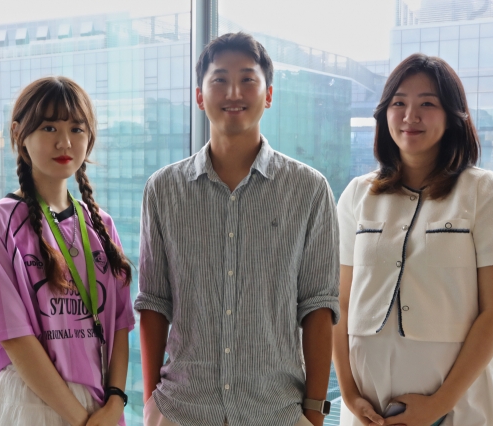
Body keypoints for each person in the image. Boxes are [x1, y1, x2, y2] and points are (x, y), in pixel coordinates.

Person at [135, 32, 340, 426]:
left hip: (275, 411)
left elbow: (318, 305)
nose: (233, 91)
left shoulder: (309, 189)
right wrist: (150, 403)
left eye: (248, 79)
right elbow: (154, 303)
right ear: (200, 96)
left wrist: (314, 413)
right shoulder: (163, 189)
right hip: (181, 410)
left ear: (268, 94)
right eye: (219, 79)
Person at [333, 53, 493, 426]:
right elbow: (338, 303)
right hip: (370, 412)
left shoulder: (482, 191)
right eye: (399, 102)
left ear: (453, 116)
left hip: (461, 408)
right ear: (384, 112)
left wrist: (439, 404)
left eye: (427, 104)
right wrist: (350, 395)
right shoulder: (357, 194)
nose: (410, 116)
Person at [0, 76, 135, 426]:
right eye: (49, 127)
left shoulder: (102, 225)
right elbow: (13, 336)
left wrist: (115, 403)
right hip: (30, 400)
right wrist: (80, 419)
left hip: (99, 406)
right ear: (19, 134)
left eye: (77, 128)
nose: (65, 141)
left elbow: (119, 326)